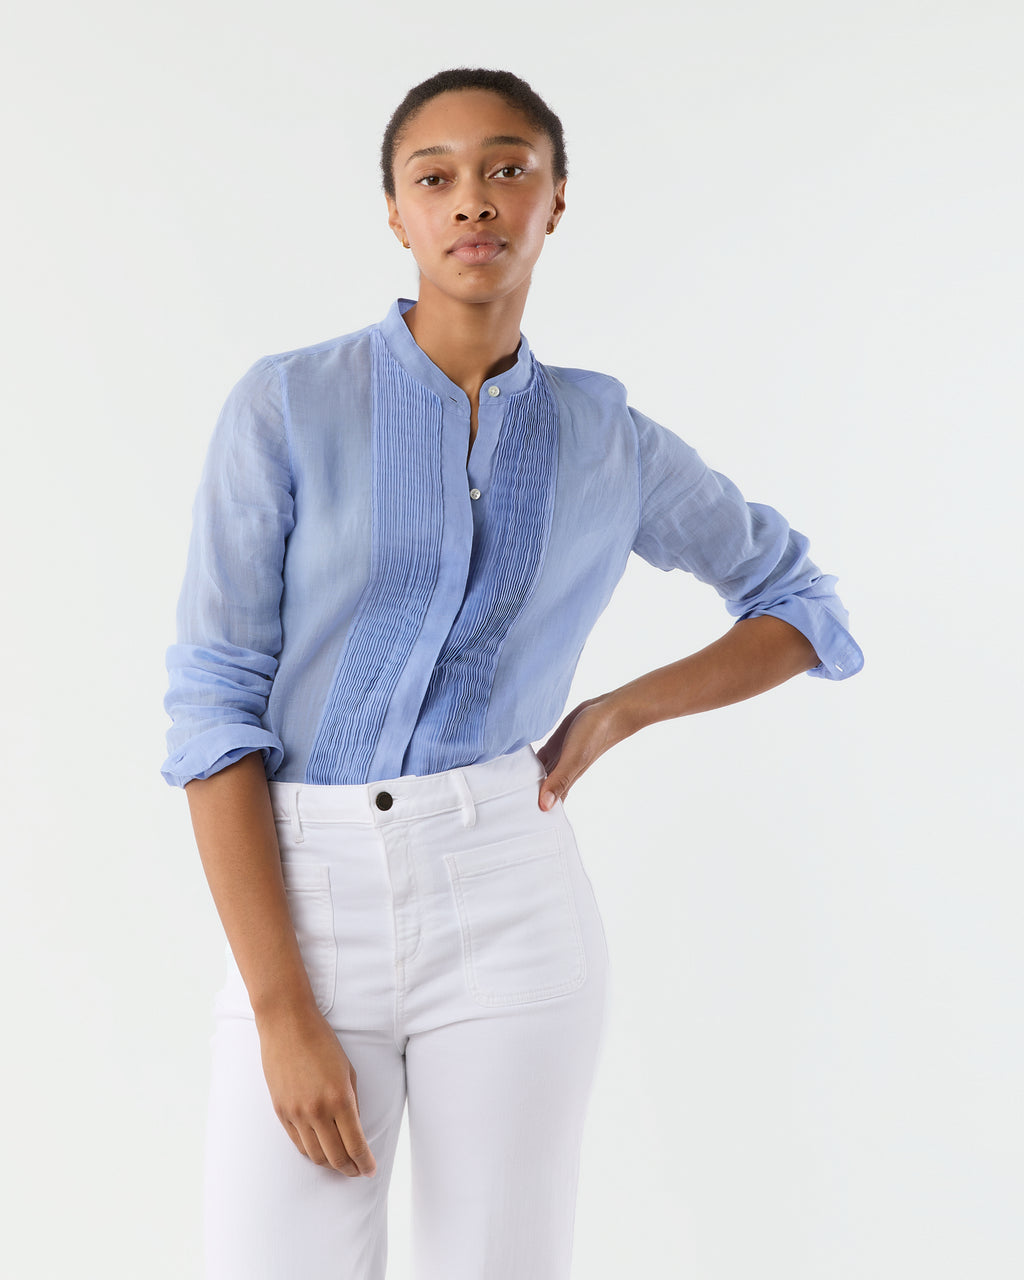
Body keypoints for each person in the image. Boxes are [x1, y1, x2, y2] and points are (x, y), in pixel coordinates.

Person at [161, 66, 863, 1280]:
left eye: (506, 169)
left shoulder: (607, 438)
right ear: (395, 212)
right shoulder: (287, 405)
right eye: (434, 176)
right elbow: (213, 705)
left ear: (555, 199)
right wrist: (280, 1006)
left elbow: (802, 606)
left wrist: (620, 710)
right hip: (304, 889)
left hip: (505, 889)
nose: (472, 200)